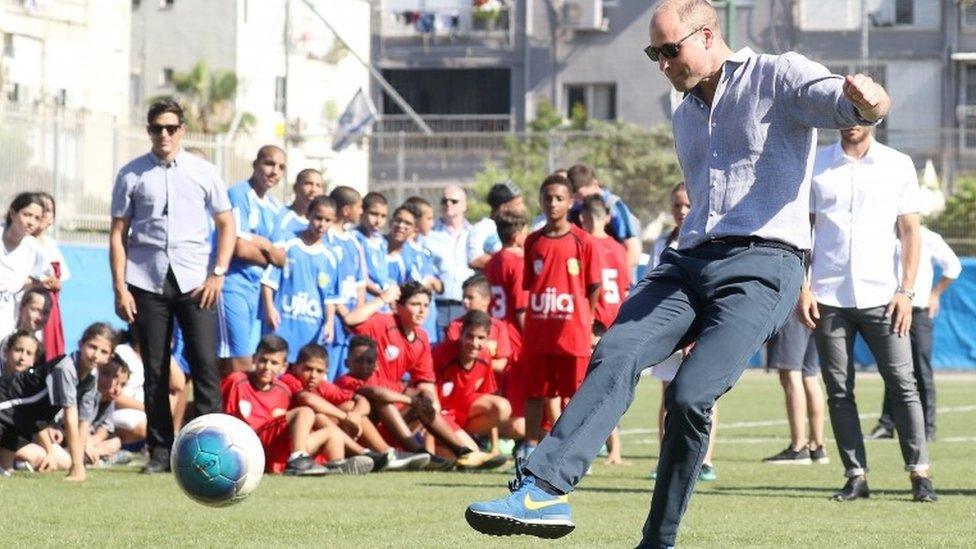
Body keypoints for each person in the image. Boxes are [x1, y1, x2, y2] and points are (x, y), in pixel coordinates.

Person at [465, 1, 891, 544]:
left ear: (707, 35)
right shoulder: (685, 112)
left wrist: (866, 103)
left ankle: (657, 539)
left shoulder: (777, 74)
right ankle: (544, 490)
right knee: (616, 351)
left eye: (670, 50)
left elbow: (838, 102)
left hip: (764, 264)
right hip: (688, 261)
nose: (662, 63)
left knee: (689, 395)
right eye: (653, 53)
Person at [801, 125, 935, 502]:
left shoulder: (898, 164)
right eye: (847, 111)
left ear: (875, 118)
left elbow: (910, 232)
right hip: (827, 296)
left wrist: (906, 291)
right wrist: (803, 286)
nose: (853, 120)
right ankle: (855, 475)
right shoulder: (817, 164)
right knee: (839, 390)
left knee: (903, 384)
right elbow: (803, 230)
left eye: (861, 112)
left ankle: (919, 474)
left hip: (884, 296)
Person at [110, 99, 236, 474]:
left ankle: (212, 449)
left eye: (170, 127)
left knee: (205, 366)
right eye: (156, 128)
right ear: (148, 130)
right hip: (146, 278)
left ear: (181, 129)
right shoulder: (131, 174)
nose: (163, 134)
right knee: (155, 369)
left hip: (197, 279)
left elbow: (226, 223)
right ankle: (161, 451)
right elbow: (118, 233)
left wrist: (218, 273)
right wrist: (120, 287)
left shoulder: (203, 170)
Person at [341, 282, 501, 470]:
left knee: (425, 401)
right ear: (399, 306)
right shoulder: (384, 322)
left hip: (397, 406)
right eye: (415, 304)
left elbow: (425, 381)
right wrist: (383, 298)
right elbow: (351, 319)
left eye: (425, 305)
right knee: (388, 399)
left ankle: (462, 452)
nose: (422, 310)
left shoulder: (422, 337)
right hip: (371, 404)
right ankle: (421, 454)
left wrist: (430, 403)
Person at [519, 174, 601, 458]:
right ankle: (528, 448)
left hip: (572, 333)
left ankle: (576, 451)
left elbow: (594, 287)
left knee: (575, 397)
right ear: (540, 200)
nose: (552, 203)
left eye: (559, 198)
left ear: (569, 203)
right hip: (539, 332)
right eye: (548, 198)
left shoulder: (583, 241)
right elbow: (530, 286)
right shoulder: (532, 242)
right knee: (535, 393)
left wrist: (584, 321)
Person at [221, 334, 373, 475]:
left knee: (332, 433)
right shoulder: (237, 381)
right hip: (251, 444)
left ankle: (337, 467)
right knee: (306, 411)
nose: (267, 367)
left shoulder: (283, 390)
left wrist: (353, 416)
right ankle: (299, 457)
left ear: (283, 366)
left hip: (277, 447)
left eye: (274, 363)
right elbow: (217, 411)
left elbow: (359, 400)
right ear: (254, 359)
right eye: (263, 360)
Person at [647, 182, 718, 481]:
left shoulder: (710, 241)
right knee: (668, 398)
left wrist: (699, 333)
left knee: (704, 398)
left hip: (698, 330)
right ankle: (667, 459)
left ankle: (704, 460)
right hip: (670, 331)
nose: (682, 211)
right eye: (677, 205)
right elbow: (654, 283)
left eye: (688, 205)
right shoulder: (662, 244)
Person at [869, 226, 962, 442]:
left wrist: (935, 294)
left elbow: (953, 267)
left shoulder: (929, 237)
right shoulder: (883, 234)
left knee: (921, 370)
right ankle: (886, 425)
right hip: (891, 309)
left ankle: (928, 428)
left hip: (918, 312)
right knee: (894, 369)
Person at [278, 342, 431, 471]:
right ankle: (377, 453)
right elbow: (308, 399)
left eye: (319, 371)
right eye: (308, 369)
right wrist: (346, 417)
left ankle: (385, 454)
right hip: (288, 441)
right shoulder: (289, 379)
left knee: (350, 406)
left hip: (318, 439)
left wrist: (355, 415)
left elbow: (361, 400)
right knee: (317, 413)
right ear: (296, 366)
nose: (313, 375)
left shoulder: (324, 385)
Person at [0, 322, 116, 481]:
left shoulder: (91, 377)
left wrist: (78, 464)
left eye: (103, 351)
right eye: (92, 347)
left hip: (17, 421)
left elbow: (83, 422)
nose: (96, 355)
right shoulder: (65, 368)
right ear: (81, 344)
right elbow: (70, 416)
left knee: (5, 475)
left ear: (110, 356)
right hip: (5, 403)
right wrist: (75, 465)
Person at [219, 145, 288, 375]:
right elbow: (238, 248)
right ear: (256, 164)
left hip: (254, 291)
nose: (274, 171)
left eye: (281, 167)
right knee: (241, 362)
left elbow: (281, 258)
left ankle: (219, 410)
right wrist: (268, 254)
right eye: (269, 164)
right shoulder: (239, 193)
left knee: (231, 364)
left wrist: (264, 244)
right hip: (232, 286)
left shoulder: (275, 207)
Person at [260, 195, 341, 363]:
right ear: (309, 215)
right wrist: (269, 308)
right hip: (283, 321)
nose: (322, 224)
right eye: (318, 218)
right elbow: (269, 281)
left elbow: (330, 297)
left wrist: (329, 323)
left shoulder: (331, 256)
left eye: (328, 220)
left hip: (311, 326)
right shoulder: (288, 242)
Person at [433, 310, 511, 463]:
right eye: (470, 336)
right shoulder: (441, 354)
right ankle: (435, 451)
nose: (475, 343)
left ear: (488, 338)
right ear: (461, 333)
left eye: (481, 338)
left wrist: (495, 447)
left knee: (503, 407)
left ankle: (456, 442)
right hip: (440, 416)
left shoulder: (485, 357)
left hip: (463, 414)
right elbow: (430, 402)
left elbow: (488, 396)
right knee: (472, 452)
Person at [761, 314, 828, 465]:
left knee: (790, 374)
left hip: (794, 306)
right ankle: (817, 446)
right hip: (816, 303)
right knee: (809, 375)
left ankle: (798, 447)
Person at [567, 164, 642, 272]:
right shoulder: (575, 210)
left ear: (595, 184)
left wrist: (617, 277)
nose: (582, 202)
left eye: (583, 196)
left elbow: (633, 250)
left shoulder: (614, 206)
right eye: (577, 199)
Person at [426, 185, 475, 340]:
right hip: (437, 305)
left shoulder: (474, 233)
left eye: (454, 201)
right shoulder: (429, 234)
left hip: (465, 305)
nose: (448, 204)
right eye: (444, 201)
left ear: (465, 205)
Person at [1, 192, 53, 338]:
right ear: (12, 213)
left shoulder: (33, 248)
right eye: (27, 215)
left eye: (37, 218)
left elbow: (49, 280)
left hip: (8, 316)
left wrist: (24, 283)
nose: (31, 222)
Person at [580, 194, 631, 331]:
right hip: (617, 322)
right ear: (606, 217)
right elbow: (626, 290)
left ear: (582, 217)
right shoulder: (620, 248)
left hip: (595, 323)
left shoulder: (583, 246)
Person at [443, 275, 512, 374]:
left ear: (486, 300)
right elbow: (454, 358)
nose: (465, 301)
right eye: (464, 297)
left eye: (470, 298)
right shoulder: (455, 326)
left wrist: (477, 362)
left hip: (492, 387)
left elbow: (502, 364)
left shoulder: (499, 327)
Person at [31, 192, 69, 358]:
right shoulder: (24, 243)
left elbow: (60, 278)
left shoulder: (51, 244)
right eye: (42, 209)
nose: (45, 214)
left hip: (50, 309)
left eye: (49, 210)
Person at [467, 181, 525, 270]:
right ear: (504, 207)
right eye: (518, 204)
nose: (522, 208)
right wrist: (506, 261)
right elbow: (474, 260)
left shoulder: (519, 227)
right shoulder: (483, 228)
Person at [355, 192, 392, 298]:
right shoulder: (355, 239)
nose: (378, 221)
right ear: (362, 212)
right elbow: (362, 276)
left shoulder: (382, 242)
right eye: (374, 214)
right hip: (367, 299)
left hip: (383, 302)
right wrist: (382, 294)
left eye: (383, 216)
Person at [274, 168, 325, 239]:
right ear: (295, 187)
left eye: (318, 185)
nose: (313, 189)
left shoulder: (325, 224)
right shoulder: (280, 216)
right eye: (308, 184)